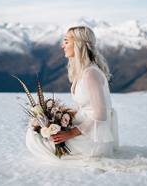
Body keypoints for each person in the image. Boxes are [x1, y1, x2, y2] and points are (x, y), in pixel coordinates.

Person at [25, 25, 119, 162]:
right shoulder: (84, 71)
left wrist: (70, 133)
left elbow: (100, 114)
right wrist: (60, 115)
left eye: (66, 41)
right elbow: (87, 108)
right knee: (35, 133)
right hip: (88, 128)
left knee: (36, 140)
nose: (63, 46)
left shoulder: (91, 73)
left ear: (79, 44)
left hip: (95, 139)